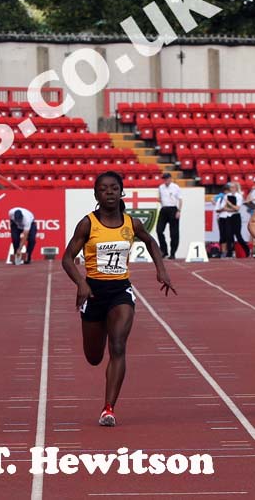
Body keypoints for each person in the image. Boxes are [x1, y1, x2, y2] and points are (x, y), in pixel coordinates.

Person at [61, 171, 176, 427]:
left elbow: (151, 242)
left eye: (114, 188)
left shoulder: (131, 223)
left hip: (120, 291)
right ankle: (99, 344)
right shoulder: (88, 224)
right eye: (104, 189)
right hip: (93, 293)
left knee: (119, 346)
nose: (110, 192)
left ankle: (108, 408)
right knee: (94, 357)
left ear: (121, 192)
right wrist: (81, 282)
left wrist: (162, 270)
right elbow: (67, 258)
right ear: (96, 194)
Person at [156, 172, 182, 259]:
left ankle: (173, 252)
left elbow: (180, 199)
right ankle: (164, 250)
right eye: (164, 179)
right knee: (159, 230)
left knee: (174, 233)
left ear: (170, 179)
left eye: (167, 179)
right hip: (164, 209)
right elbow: (160, 197)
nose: (165, 180)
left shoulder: (175, 187)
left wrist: (178, 210)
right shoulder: (161, 187)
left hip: (173, 209)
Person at [226, 182, 250, 258]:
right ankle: (230, 252)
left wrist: (230, 205)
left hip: (236, 217)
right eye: (230, 187)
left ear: (236, 188)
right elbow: (225, 208)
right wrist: (230, 208)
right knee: (229, 235)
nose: (231, 189)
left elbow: (237, 208)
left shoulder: (239, 196)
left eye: (233, 187)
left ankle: (246, 250)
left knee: (238, 235)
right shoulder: (227, 195)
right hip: (229, 216)